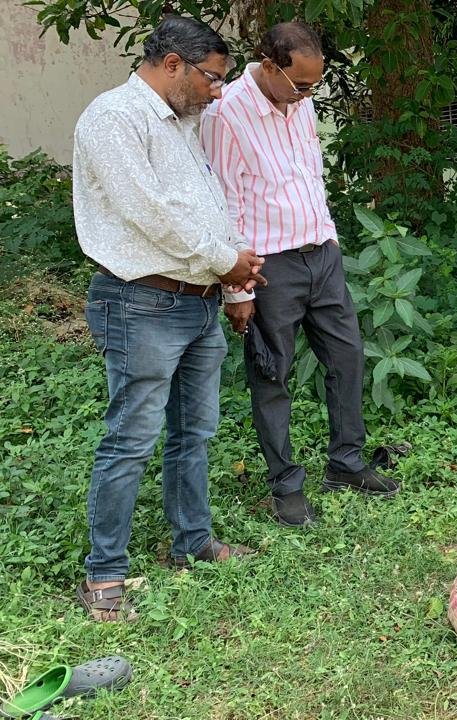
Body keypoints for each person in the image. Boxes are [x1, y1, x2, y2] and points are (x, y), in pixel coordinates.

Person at [73, 16, 265, 621]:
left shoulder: (186, 124)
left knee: (195, 434)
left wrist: (233, 285)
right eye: (212, 78)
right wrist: (225, 260)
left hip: (201, 303)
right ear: (173, 64)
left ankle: (193, 542)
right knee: (131, 440)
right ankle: (105, 573)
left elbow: (212, 204)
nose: (217, 92)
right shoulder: (114, 119)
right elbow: (148, 214)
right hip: (141, 303)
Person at [201, 22, 398, 527]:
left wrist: (329, 235)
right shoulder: (226, 114)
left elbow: (311, 175)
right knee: (272, 375)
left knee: (348, 357)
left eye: (315, 85)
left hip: (321, 254)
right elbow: (227, 203)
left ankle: (346, 463)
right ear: (269, 65)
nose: (309, 95)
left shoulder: (299, 102)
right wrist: (236, 287)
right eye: (302, 85)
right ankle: (286, 487)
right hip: (269, 267)